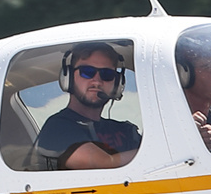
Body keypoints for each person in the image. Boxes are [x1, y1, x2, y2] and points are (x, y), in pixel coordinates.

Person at [33, 42, 142, 170]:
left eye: (107, 74)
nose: (97, 81)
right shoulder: (57, 128)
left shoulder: (125, 130)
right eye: (87, 72)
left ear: (117, 83)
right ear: (69, 78)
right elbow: (105, 163)